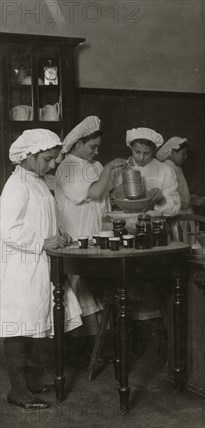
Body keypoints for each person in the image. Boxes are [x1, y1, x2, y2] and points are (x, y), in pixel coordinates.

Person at [1, 130, 84, 409]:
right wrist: (43, 241)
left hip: (38, 263)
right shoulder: (17, 185)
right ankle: (17, 391)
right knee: (18, 327)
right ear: (29, 156)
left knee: (35, 324)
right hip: (20, 266)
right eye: (48, 159)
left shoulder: (36, 181)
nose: (52, 164)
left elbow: (43, 220)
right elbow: (7, 230)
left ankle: (31, 382)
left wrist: (59, 235)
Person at [54, 117, 127, 352]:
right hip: (77, 234)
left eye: (98, 147)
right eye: (91, 146)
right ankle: (80, 348)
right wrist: (108, 168)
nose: (96, 151)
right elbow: (94, 193)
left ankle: (101, 345)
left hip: (98, 233)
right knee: (79, 289)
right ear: (77, 144)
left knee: (97, 289)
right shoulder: (68, 167)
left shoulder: (94, 166)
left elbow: (110, 195)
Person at [113, 127, 181, 217]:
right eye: (137, 152)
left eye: (146, 153)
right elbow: (111, 204)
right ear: (131, 147)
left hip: (155, 225)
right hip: (126, 223)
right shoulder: (119, 169)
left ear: (153, 151)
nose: (141, 157)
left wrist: (161, 200)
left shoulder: (165, 171)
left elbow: (175, 209)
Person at [156, 136, 193, 214]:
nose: (186, 157)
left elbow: (178, 191)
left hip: (183, 212)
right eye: (183, 154)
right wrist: (194, 202)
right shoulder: (168, 168)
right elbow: (169, 197)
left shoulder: (176, 167)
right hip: (175, 213)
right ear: (172, 153)